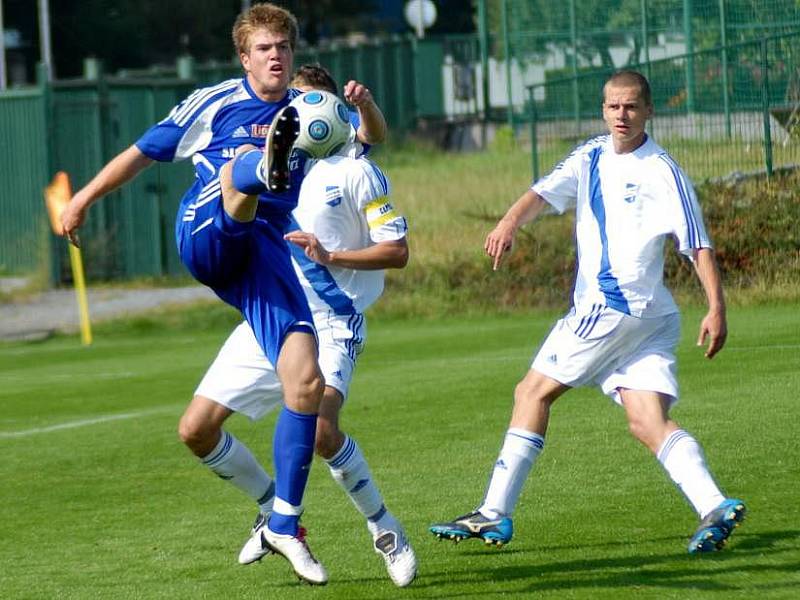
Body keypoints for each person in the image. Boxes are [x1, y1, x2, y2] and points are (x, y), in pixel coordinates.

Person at [59, 3, 360, 585]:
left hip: (264, 255)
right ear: (245, 57)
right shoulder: (216, 102)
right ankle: (255, 170)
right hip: (207, 229)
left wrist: (364, 110)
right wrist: (82, 200)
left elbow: (365, 143)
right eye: (265, 48)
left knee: (305, 380)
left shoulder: (316, 113)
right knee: (236, 174)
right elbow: (142, 153)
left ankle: (283, 521)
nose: (276, 55)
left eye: (284, 47)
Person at [429, 70, 747, 555]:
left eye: (632, 107)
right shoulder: (590, 155)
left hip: (613, 307)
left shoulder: (662, 169)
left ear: (649, 111)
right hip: (652, 316)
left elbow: (697, 243)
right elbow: (542, 193)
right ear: (603, 110)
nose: (622, 115)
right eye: (614, 106)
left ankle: (493, 513)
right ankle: (714, 505)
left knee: (531, 392)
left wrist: (717, 307)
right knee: (646, 420)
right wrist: (510, 222)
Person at [199, 65, 416, 587]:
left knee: (321, 429)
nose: (300, 117)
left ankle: (384, 528)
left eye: (310, 104)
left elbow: (398, 251)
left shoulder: (356, 168)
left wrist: (331, 253)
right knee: (196, 430)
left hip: (332, 319)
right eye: (293, 106)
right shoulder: (268, 166)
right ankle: (275, 514)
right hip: (272, 310)